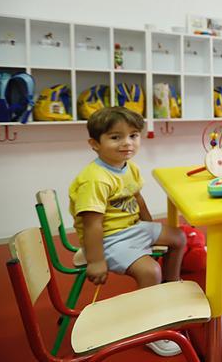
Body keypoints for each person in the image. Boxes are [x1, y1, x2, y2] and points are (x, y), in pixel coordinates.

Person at [68, 107, 187, 357]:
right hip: (109, 239)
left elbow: (137, 198)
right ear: (94, 144)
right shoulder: (96, 179)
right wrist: (96, 260)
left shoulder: (128, 167)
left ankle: (169, 285)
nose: (127, 143)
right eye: (115, 137)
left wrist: (149, 227)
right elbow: (92, 224)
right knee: (149, 270)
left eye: (133, 135)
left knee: (178, 237)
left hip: (133, 228)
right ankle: (150, 329)